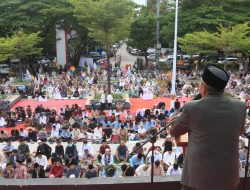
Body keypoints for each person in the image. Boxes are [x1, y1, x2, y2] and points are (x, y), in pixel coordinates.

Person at [171, 65, 247, 190]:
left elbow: (174, 130)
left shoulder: (192, 107)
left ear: (203, 88)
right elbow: (239, 131)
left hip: (197, 179)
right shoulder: (240, 106)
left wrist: (179, 114)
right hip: (227, 177)